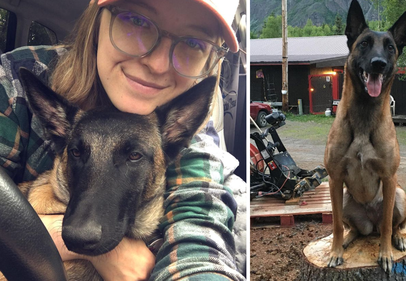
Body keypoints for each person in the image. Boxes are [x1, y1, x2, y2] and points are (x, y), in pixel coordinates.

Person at [0, 0, 246, 280]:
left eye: (193, 42)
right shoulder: (12, 82)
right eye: (137, 21)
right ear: (97, 17)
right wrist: (97, 253)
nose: (156, 64)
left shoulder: (189, 144)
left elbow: (199, 245)